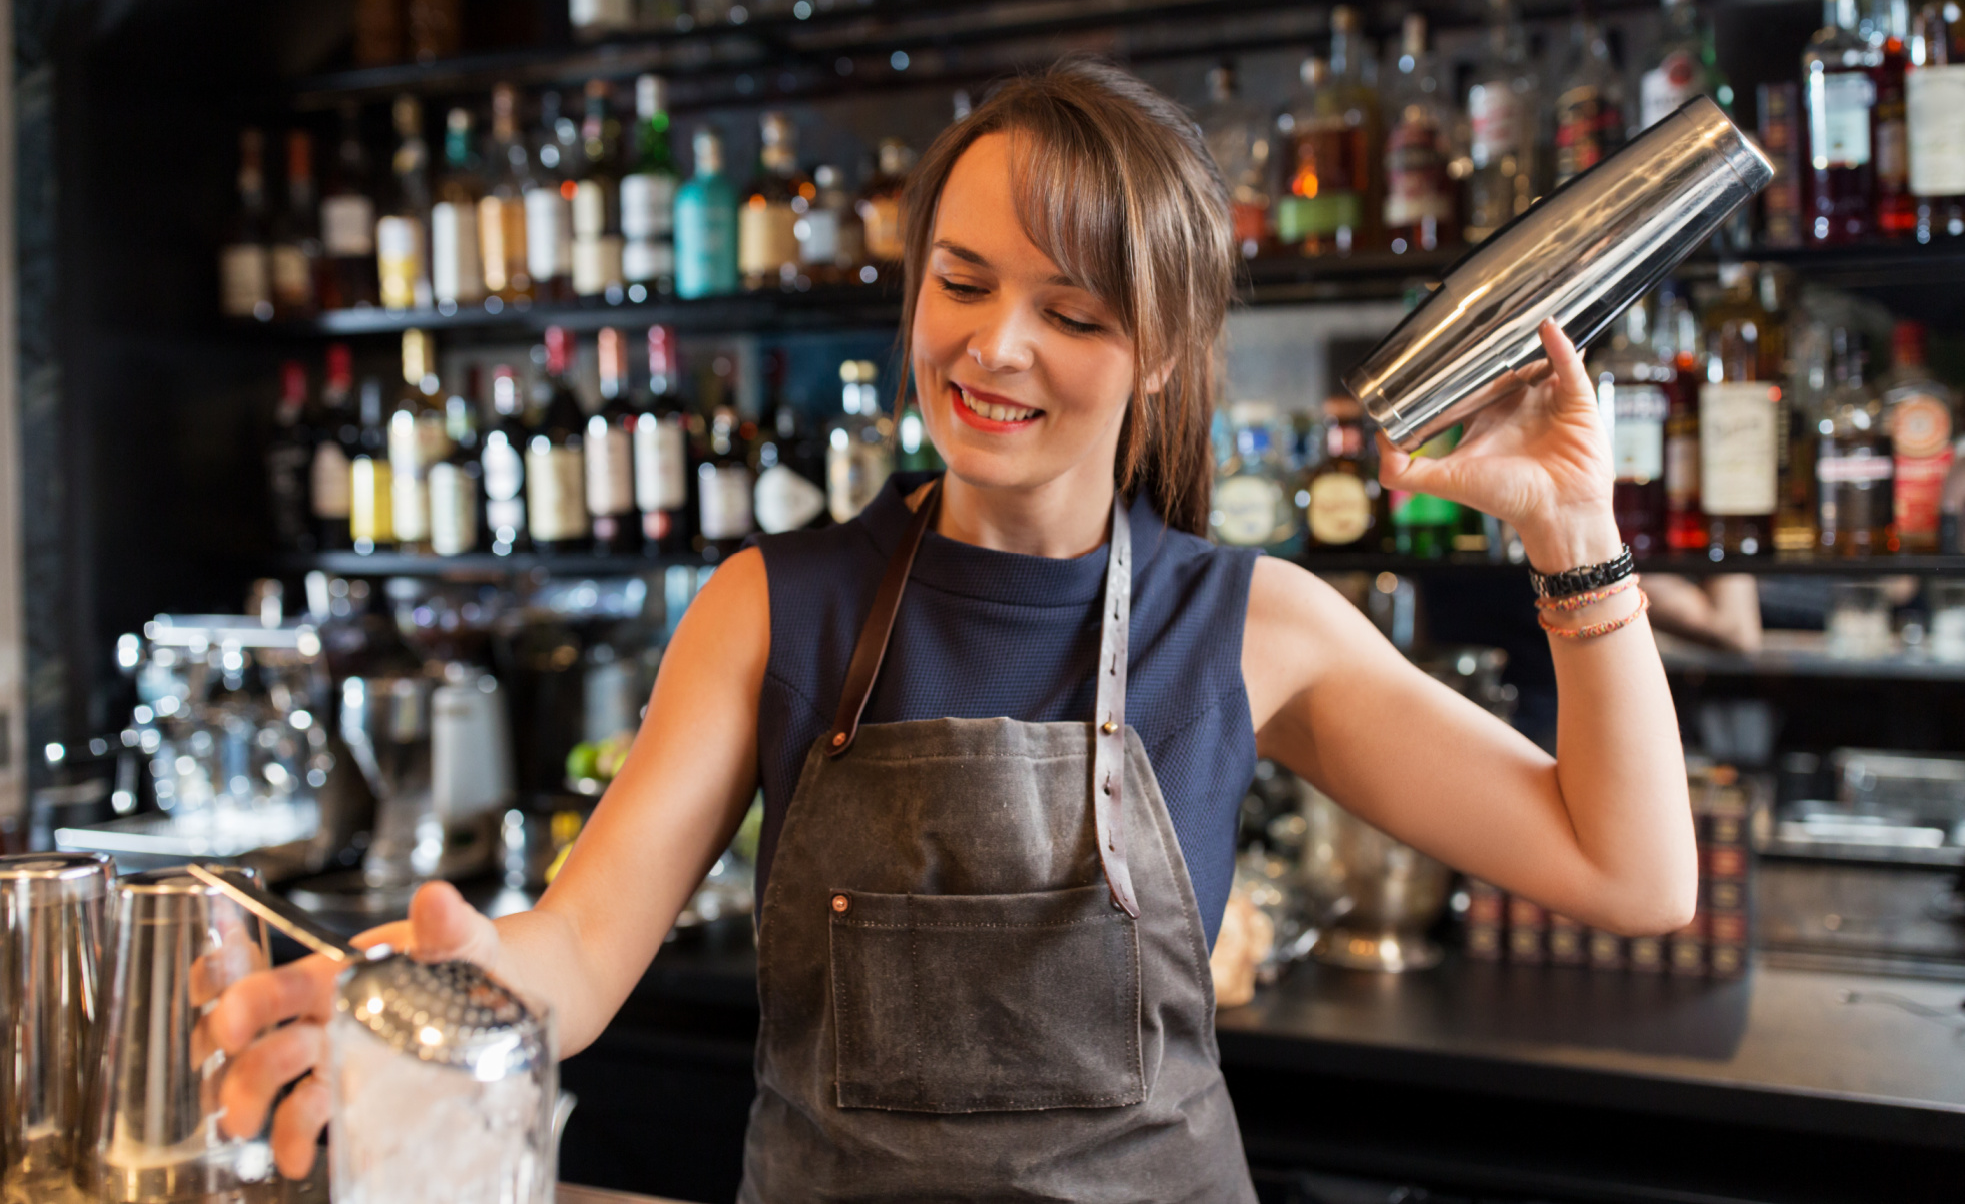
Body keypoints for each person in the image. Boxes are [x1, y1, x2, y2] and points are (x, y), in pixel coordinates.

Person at [209, 59, 1695, 1202]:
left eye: (1072, 310)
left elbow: (1627, 872)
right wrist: (433, 994)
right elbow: (581, 953)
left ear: (1161, 348)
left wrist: (1571, 531)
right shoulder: (773, 606)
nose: (994, 346)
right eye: (960, 282)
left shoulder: (1251, 626)